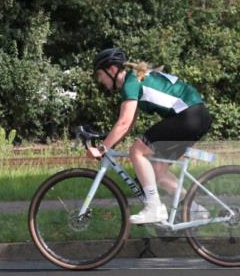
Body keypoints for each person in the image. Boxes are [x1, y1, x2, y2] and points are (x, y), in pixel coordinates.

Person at [89, 47, 212, 224]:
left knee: (136, 151)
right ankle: (196, 210)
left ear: (112, 70)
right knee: (157, 172)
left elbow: (123, 123)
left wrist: (101, 148)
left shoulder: (131, 83)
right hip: (196, 116)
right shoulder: (136, 79)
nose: (100, 80)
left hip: (188, 116)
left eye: (100, 74)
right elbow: (128, 124)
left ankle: (154, 208)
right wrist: (110, 144)